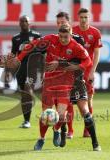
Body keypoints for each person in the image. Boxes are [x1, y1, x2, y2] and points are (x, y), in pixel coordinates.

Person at [8, 24, 100, 151]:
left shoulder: (76, 46)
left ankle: (56, 129)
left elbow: (88, 61)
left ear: (71, 35)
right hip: (49, 82)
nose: (62, 39)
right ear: (58, 34)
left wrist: (77, 67)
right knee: (46, 115)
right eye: (61, 36)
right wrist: (19, 58)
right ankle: (41, 138)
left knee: (62, 116)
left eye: (66, 37)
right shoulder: (51, 39)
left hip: (65, 84)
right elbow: (33, 44)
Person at [56, 11, 86, 139]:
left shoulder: (78, 39)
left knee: (76, 104)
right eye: (58, 23)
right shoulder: (55, 39)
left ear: (68, 23)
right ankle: (65, 130)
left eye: (62, 22)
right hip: (59, 77)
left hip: (74, 77)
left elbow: (83, 59)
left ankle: (75, 130)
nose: (60, 25)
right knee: (63, 105)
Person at [72, 8, 103, 137]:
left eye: (86, 17)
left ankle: (87, 128)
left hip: (87, 70)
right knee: (69, 101)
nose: (84, 19)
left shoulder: (95, 33)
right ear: (78, 18)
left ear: (89, 18)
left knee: (89, 99)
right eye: (81, 17)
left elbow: (96, 54)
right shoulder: (72, 31)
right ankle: (69, 130)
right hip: (74, 70)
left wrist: (92, 71)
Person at [11, 15, 42, 128]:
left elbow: (42, 52)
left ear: (30, 23)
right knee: (24, 94)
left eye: (26, 21)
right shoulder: (15, 38)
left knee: (28, 90)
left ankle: (27, 121)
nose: (24, 23)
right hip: (20, 69)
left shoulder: (36, 36)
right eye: (22, 21)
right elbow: (14, 55)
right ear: (19, 23)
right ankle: (26, 120)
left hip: (32, 69)